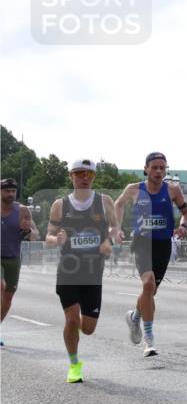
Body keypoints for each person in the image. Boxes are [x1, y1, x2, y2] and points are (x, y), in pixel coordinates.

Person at [44, 159, 117, 382]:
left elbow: (115, 228)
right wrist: (56, 239)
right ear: (71, 176)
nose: (85, 177)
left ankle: (76, 338)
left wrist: (109, 242)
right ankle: (74, 365)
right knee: (72, 321)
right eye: (80, 173)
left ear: (94, 177)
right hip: (68, 271)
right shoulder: (60, 204)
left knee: (88, 329)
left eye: (89, 174)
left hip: (93, 272)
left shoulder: (104, 202)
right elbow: (47, 237)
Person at [114, 152, 187, 357]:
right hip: (141, 242)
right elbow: (118, 205)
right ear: (146, 168)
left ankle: (135, 316)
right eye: (154, 167)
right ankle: (149, 339)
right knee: (147, 284)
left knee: (151, 292)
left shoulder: (173, 189)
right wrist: (116, 228)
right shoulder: (133, 189)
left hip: (163, 244)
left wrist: (183, 226)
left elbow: (186, 213)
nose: (158, 171)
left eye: (162, 168)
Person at [1, 178, 39, 345]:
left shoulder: (22, 210)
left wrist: (28, 231)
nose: (10, 194)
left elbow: (35, 234)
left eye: (13, 191)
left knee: (8, 296)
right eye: (6, 191)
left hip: (13, 257)